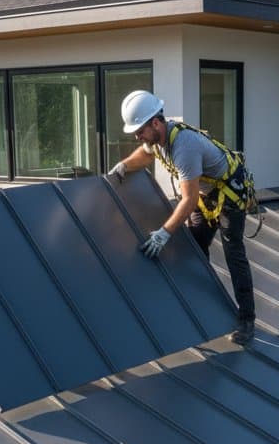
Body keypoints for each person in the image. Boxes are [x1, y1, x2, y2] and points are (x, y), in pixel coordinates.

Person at [109, 90, 256, 344]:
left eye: (140, 129)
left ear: (156, 122)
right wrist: (124, 165)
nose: (137, 135)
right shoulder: (158, 138)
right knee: (195, 250)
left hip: (229, 195)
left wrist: (163, 234)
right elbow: (144, 153)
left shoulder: (183, 147)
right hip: (205, 194)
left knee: (234, 254)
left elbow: (187, 201)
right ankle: (206, 309)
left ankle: (246, 320)